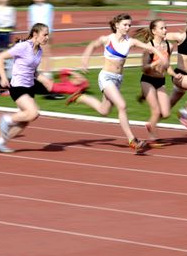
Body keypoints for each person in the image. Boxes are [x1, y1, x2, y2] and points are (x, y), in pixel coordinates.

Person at [66, 13, 168, 154]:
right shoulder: (107, 39)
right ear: (116, 25)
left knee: (104, 110)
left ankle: (80, 97)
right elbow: (92, 45)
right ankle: (132, 140)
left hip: (117, 79)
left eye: (129, 25)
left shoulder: (130, 41)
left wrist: (161, 55)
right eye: (125, 25)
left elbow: (149, 47)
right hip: (106, 77)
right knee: (122, 105)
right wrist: (85, 59)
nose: (127, 27)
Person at [0, 23, 56, 153]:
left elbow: (33, 71)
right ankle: (6, 119)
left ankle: (0, 141)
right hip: (17, 87)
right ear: (35, 35)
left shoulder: (39, 51)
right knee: (33, 112)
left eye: (48, 34)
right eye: (45, 34)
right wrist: (3, 77)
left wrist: (45, 80)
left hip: (29, 87)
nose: (47, 37)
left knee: (27, 119)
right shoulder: (22, 47)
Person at [135, 19, 180, 141]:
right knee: (155, 111)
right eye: (162, 28)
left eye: (166, 27)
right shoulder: (149, 47)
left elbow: (167, 66)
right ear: (154, 31)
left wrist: (175, 75)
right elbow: (144, 68)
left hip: (161, 82)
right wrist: (156, 63)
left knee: (166, 113)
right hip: (147, 80)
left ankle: (150, 124)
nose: (165, 30)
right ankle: (152, 137)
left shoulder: (169, 46)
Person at [27, 0, 62, 99]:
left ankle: (47, 73)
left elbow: (50, 20)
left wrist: (50, 33)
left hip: (45, 32)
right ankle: (34, 73)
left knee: (46, 53)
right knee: (34, 53)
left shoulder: (49, 7)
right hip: (35, 33)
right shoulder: (31, 8)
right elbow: (30, 20)